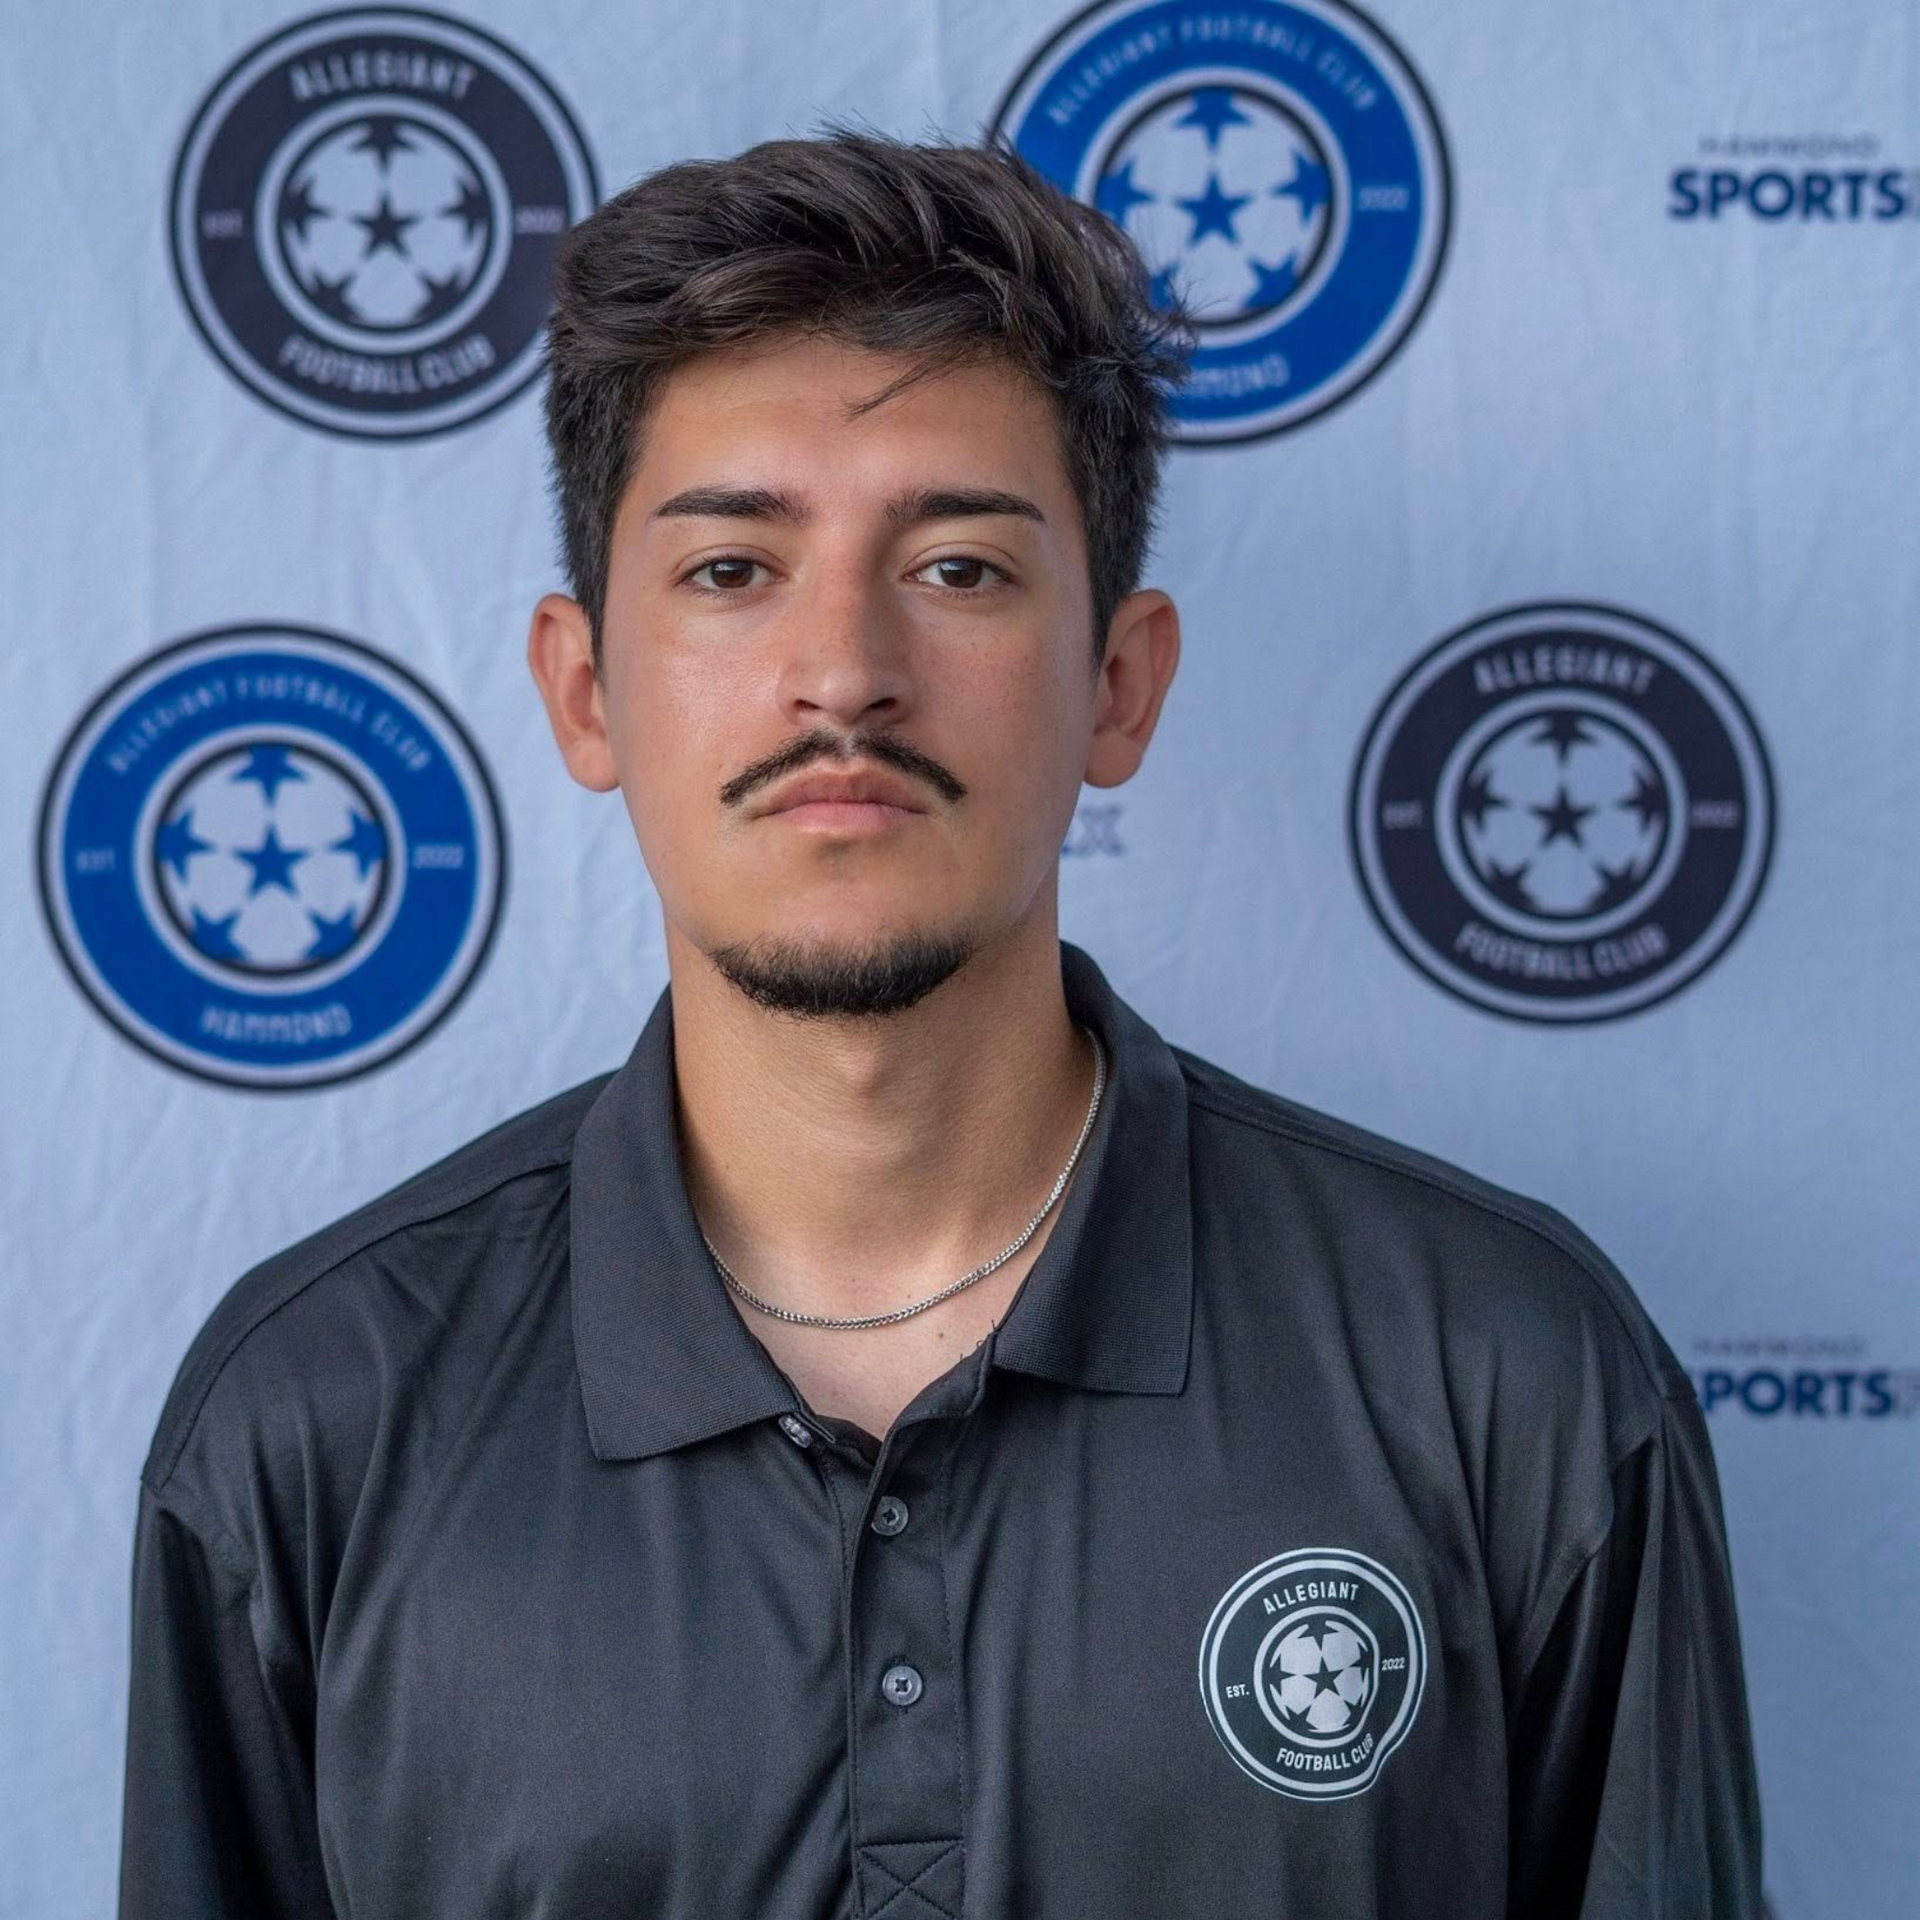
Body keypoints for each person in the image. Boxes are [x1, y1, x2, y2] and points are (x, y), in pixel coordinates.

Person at [118, 127, 1764, 1918]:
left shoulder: (1506, 1377)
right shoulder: (316, 1419)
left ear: (1117, 684)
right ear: (585, 691)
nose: (845, 668)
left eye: (962, 567)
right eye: (732, 570)